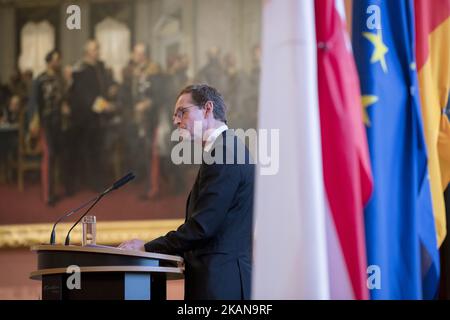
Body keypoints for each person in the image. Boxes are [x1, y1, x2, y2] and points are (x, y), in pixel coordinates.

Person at [119, 84, 255, 300]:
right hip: (221, 280)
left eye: (182, 112)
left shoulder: (223, 154)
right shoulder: (226, 149)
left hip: (220, 285)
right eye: (174, 115)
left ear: (208, 109)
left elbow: (202, 227)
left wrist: (147, 247)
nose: (175, 120)